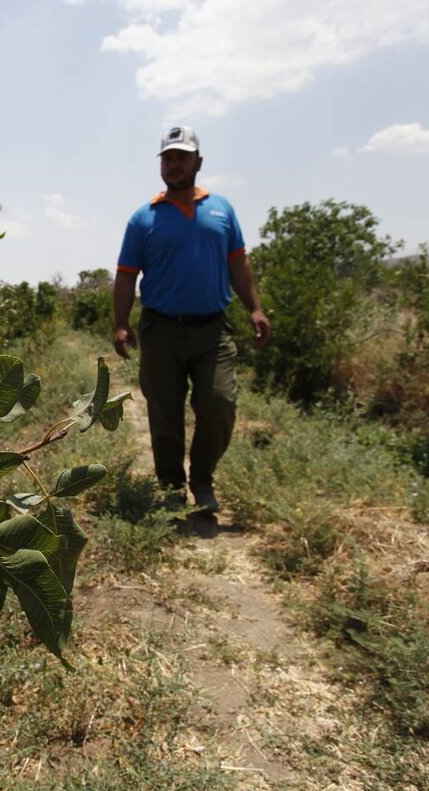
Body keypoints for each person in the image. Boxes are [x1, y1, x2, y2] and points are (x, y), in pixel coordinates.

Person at [111, 125, 271, 514]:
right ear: (160, 166)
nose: (174, 164)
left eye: (182, 157)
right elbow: (126, 274)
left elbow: (239, 263)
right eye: (168, 158)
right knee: (165, 412)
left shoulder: (221, 209)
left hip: (212, 328)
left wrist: (255, 307)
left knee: (218, 403)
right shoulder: (143, 218)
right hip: (160, 328)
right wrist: (121, 322)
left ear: (198, 162)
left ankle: (202, 479)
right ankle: (171, 487)